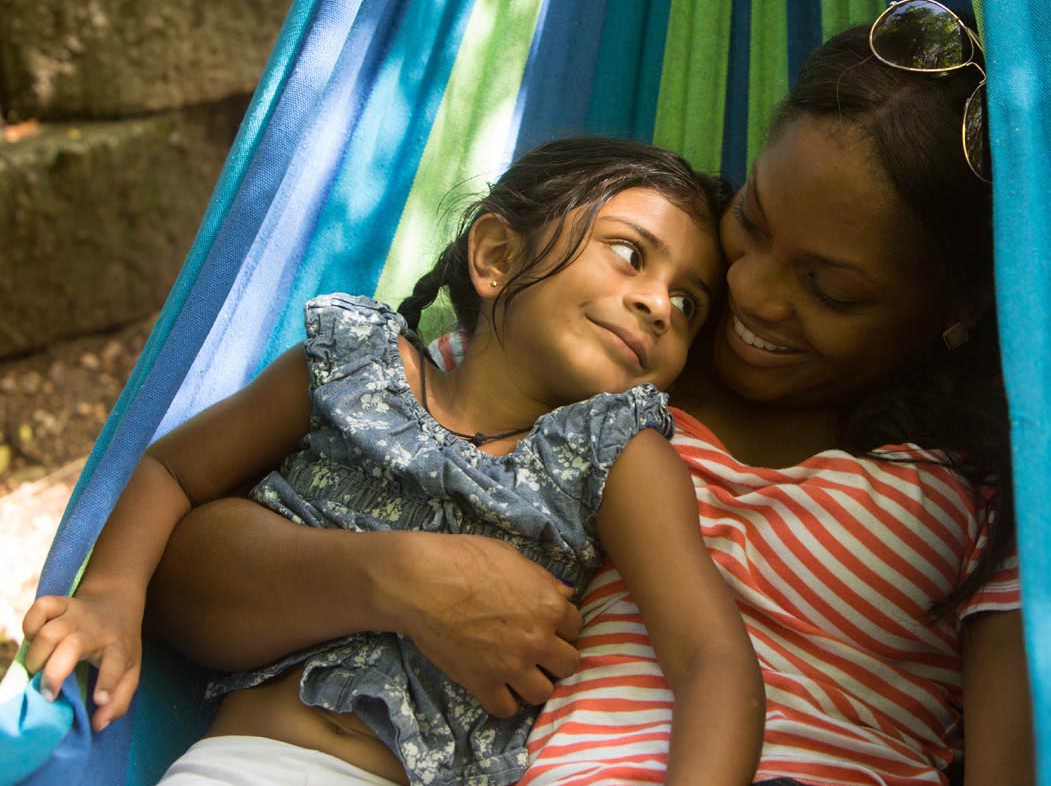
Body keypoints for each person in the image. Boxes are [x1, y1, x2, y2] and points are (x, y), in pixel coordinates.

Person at [86, 0, 1030, 784]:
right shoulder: (579, 361)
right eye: (751, 218)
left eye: (829, 288)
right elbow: (193, 545)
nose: (746, 290)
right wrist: (401, 575)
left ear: (953, 310)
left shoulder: (982, 485)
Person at [21, 138, 766, 786]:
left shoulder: (617, 456)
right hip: (239, 761)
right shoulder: (355, 366)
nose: (660, 306)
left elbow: (712, 659)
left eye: (688, 304)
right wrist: (112, 595)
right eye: (631, 255)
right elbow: (172, 473)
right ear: (497, 255)